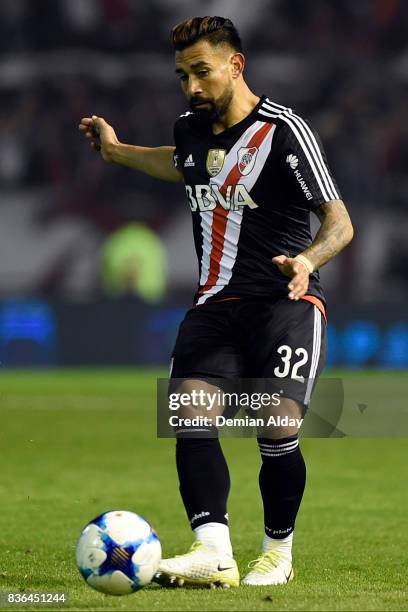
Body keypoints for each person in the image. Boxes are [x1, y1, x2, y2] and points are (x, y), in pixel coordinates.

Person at [79, 16, 353, 588]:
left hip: (285, 303)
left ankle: (278, 552)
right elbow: (176, 164)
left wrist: (307, 261)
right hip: (214, 306)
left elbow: (339, 223)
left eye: (201, 72)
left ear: (236, 64)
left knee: (275, 426)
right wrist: (118, 151)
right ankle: (213, 552)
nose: (192, 88)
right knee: (190, 415)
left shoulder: (284, 132)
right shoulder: (190, 130)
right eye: (182, 76)